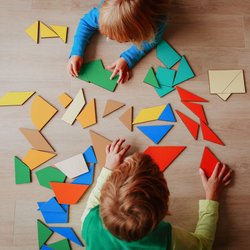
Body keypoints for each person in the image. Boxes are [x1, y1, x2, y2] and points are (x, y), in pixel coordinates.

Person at [81, 139, 233, 249]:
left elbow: (94, 201)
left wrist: (108, 169)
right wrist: (211, 197)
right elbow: (203, 244)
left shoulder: (89, 220)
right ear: (164, 207)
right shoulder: (167, 239)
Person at [67, 0, 171, 84]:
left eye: (118, 39)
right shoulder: (106, 12)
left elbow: (151, 41)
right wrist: (77, 52)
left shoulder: (157, 24)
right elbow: (86, 23)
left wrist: (128, 58)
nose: (107, 39)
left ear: (140, 33)